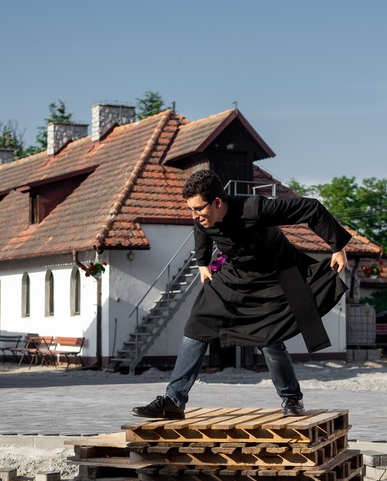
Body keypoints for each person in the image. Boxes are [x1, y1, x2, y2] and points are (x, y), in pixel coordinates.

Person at [133, 169, 351, 420]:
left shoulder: (255, 208)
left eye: (198, 209)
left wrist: (337, 246)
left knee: (270, 338)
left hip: (275, 274)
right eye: (190, 209)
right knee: (197, 324)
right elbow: (201, 232)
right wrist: (203, 263)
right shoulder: (204, 217)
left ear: (217, 202)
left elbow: (311, 208)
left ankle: (291, 399)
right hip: (236, 273)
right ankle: (174, 399)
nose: (194, 216)